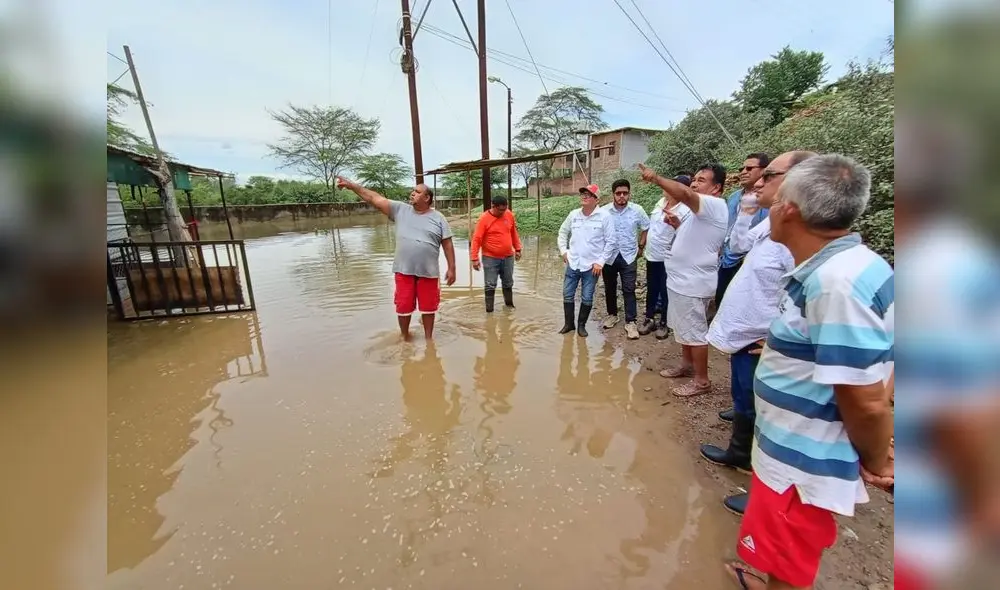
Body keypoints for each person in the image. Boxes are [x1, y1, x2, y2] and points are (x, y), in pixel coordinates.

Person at [723, 154, 894, 590]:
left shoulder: (836, 284)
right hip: (794, 449)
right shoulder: (846, 268)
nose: (766, 199)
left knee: (789, 558)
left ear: (789, 210)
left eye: (774, 194)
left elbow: (867, 398)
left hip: (804, 459)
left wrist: (877, 459)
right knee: (785, 554)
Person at [697, 151, 817, 517]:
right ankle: (739, 454)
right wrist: (749, 208)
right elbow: (736, 249)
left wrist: (785, 338)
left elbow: (811, 293)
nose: (757, 180)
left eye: (768, 175)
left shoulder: (807, 234)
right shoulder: (772, 224)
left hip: (767, 339)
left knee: (768, 414)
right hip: (746, 330)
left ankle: (766, 492)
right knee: (744, 400)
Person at [637, 162, 729, 397]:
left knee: (695, 332)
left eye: (702, 180)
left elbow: (686, 193)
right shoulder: (699, 212)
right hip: (682, 281)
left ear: (717, 188)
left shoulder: (715, 205)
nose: (695, 183)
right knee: (685, 330)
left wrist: (656, 177)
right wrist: (678, 225)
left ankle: (701, 381)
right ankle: (687, 366)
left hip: (693, 283)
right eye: (695, 179)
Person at [336, 177, 456, 340]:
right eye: (413, 190)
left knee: (428, 309)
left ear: (427, 198)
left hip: (428, 272)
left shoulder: (439, 218)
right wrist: (352, 186)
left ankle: (429, 341)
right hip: (403, 270)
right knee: (403, 306)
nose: (412, 193)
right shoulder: (400, 210)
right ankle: (405, 337)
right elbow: (373, 198)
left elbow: (447, 244)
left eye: (417, 192)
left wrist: (452, 268)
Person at [556, 183, 617, 338]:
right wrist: (564, 251)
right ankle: (569, 324)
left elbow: (611, 242)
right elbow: (562, 232)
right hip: (573, 262)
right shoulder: (574, 214)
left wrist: (601, 262)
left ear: (597, 200)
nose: (584, 197)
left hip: (592, 266)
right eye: (583, 194)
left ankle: (581, 326)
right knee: (567, 294)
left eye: (588, 195)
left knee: (587, 296)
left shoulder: (605, 217)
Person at [638, 176, 692, 340]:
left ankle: (664, 322)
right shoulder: (660, 203)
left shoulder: (685, 210)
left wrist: (678, 225)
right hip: (652, 255)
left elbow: (688, 236)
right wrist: (643, 246)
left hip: (670, 258)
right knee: (652, 289)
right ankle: (649, 318)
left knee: (666, 290)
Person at [716, 154, 769, 307]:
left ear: (765, 171)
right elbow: (726, 225)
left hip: (749, 260)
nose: (743, 172)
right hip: (726, 258)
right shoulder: (733, 197)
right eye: (742, 168)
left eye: (750, 168)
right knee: (722, 295)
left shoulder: (768, 201)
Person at [599, 179, 650, 339]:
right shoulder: (603, 211)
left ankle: (631, 321)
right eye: (618, 193)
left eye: (625, 193)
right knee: (609, 287)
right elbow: (597, 232)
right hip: (609, 256)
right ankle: (612, 315)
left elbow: (646, 227)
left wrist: (641, 247)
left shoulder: (637, 210)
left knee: (629, 289)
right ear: (613, 194)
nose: (622, 196)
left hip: (629, 256)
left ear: (629, 193)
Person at [471, 195, 522, 313]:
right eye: (500, 210)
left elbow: (513, 232)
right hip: (490, 258)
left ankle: (509, 307)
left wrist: (518, 249)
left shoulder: (509, 215)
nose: (503, 212)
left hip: (508, 257)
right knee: (490, 284)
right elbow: (477, 239)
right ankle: (489, 312)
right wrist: (474, 258)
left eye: (505, 209)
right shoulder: (484, 219)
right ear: (493, 206)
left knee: (508, 282)